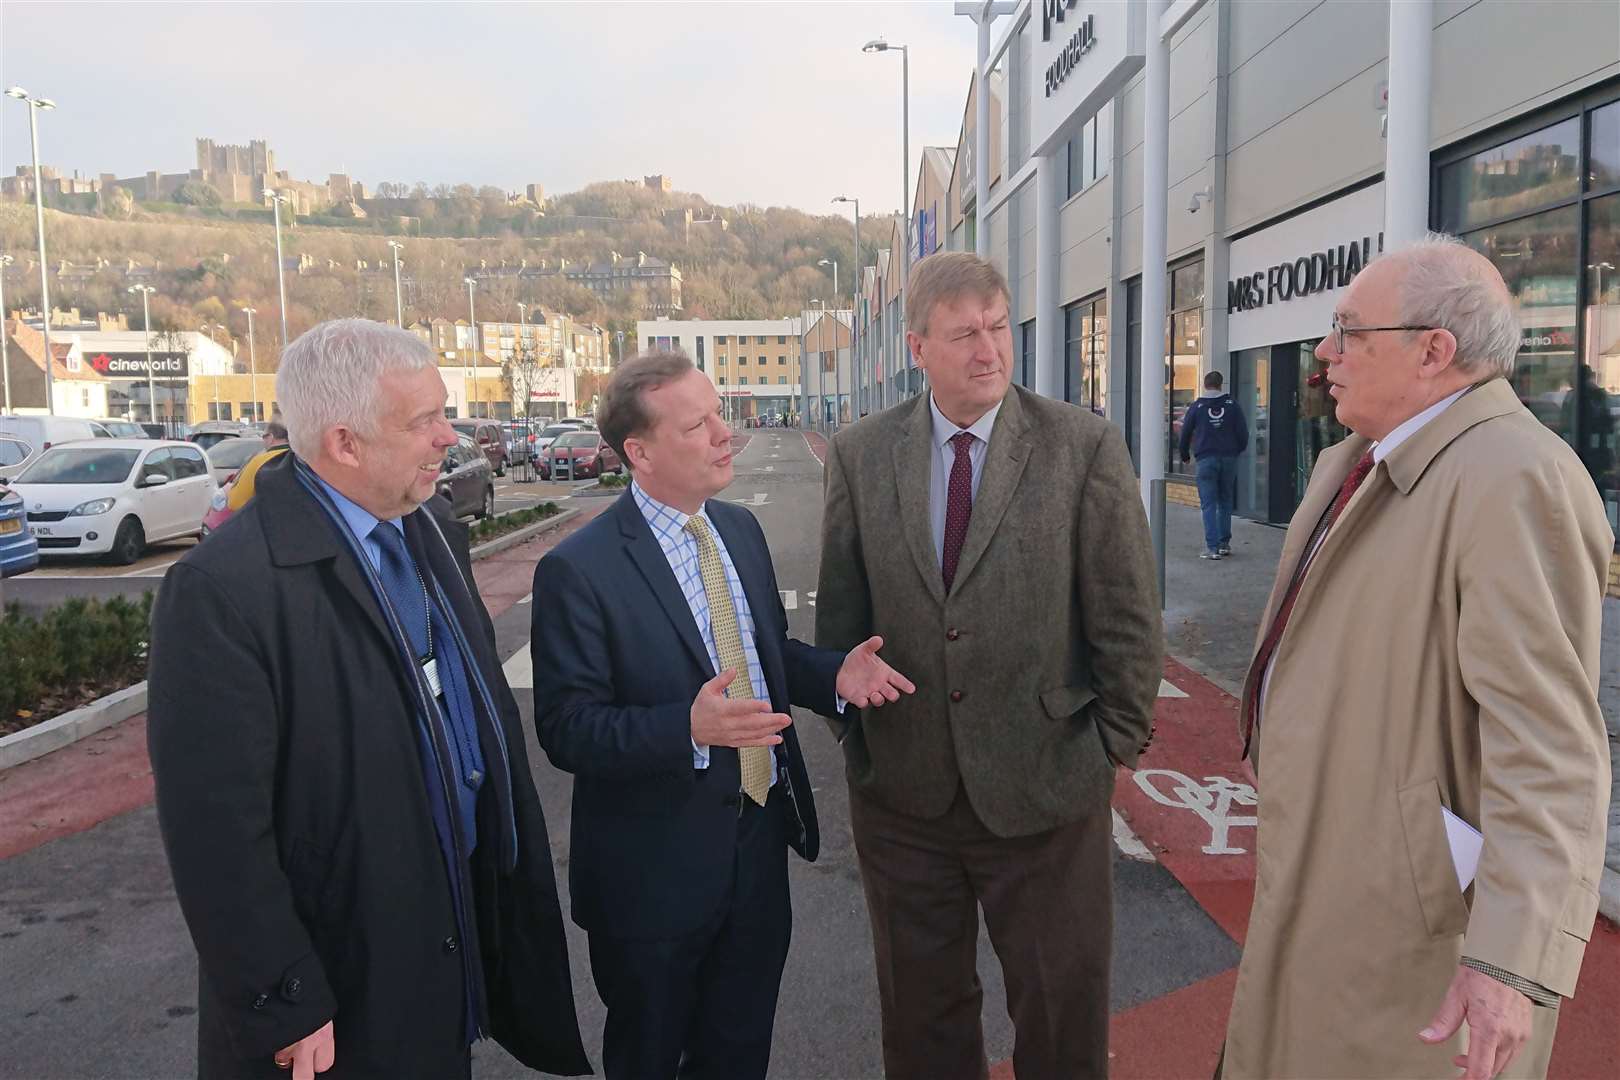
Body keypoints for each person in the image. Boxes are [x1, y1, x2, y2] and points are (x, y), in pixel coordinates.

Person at [147, 320, 589, 1080]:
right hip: (336, 995)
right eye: (423, 421)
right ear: (345, 444)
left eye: (442, 411)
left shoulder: (429, 530)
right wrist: (283, 997)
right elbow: (216, 833)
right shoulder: (225, 590)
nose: (448, 435)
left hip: (442, 940)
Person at [1222, 236, 1613, 1080]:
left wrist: (1509, 963)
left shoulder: (1514, 478)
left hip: (1414, 933)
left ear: (1434, 351)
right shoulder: (1355, 462)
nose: (1324, 354)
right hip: (1339, 882)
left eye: (1349, 331)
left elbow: (1550, 752)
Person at [815, 252, 1163, 1079]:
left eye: (999, 327)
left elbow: (1126, 613)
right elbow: (842, 617)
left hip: (1047, 788)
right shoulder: (863, 455)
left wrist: (1109, 745)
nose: (989, 350)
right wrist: (856, 739)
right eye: (964, 333)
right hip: (904, 797)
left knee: (1060, 1015)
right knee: (921, 1018)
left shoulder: (1081, 447)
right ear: (917, 347)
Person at [530, 349, 914, 1080]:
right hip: (652, 878)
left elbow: (768, 654)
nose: (723, 434)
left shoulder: (736, 529)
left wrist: (835, 672)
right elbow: (566, 727)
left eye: (719, 414)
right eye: (697, 424)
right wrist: (687, 728)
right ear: (639, 453)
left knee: (739, 1052)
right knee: (651, 1056)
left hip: (755, 850)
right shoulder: (580, 570)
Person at [1178, 369, 1248, 559]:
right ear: (1220, 384)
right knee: (1225, 500)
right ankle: (1224, 543)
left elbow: (1185, 434)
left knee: (1208, 504)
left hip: (1205, 459)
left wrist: (1184, 455)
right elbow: (1243, 433)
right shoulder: (1232, 405)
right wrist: (1236, 451)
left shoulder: (1197, 406)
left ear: (1205, 384)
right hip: (1228, 458)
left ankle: (1212, 548)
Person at [223, 418, 290, 512]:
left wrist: (229, 492)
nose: (263, 441)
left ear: (270, 437)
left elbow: (235, 503)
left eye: (264, 437)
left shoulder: (259, 462)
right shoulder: (303, 458)